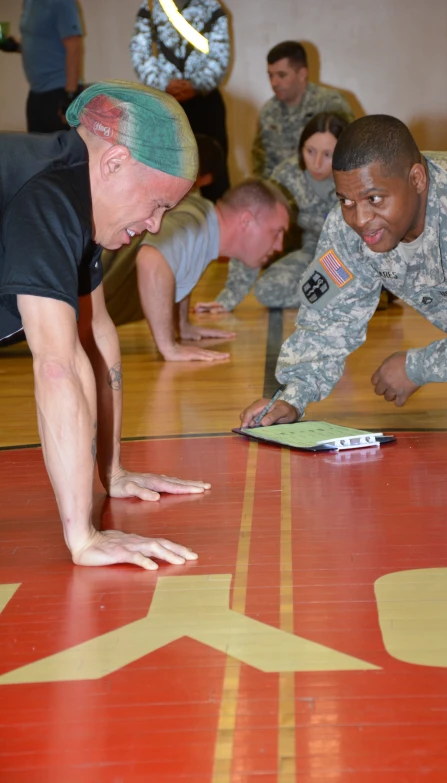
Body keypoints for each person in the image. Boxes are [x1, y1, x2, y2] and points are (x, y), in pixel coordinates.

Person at [0, 80, 211, 570]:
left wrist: (111, 471)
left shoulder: (83, 198)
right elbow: (57, 366)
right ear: (113, 163)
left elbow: (97, 335)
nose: (156, 226)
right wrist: (84, 538)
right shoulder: (49, 194)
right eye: (157, 204)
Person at [241, 114, 447, 428]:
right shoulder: (349, 221)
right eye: (345, 200)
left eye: (375, 199)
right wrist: (293, 396)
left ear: (417, 180)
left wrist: (417, 366)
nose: (360, 219)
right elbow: (328, 317)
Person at [102, 179, 290, 361]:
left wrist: (182, 325)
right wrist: (169, 347)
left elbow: (180, 264)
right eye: (277, 232)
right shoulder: (193, 221)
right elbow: (151, 259)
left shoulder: (202, 219)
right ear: (246, 221)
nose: (280, 246)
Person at [197, 111, 348, 312]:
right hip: (313, 252)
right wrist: (227, 299)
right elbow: (254, 239)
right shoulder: (287, 176)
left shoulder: (357, 177)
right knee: (269, 289)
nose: (317, 163)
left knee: (345, 272)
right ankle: (355, 294)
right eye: (310, 151)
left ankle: (363, 288)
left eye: (328, 155)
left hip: (353, 254)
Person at [130, 0, 230, 202]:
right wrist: (163, 83)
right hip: (167, 103)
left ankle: (219, 227)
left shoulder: (211, 6)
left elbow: (220, 55)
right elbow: (139, 52)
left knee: (213, 174)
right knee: (169, 173)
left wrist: (196, 85)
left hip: (205, 102)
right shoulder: (150, 6)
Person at [252, 40, 354, 179]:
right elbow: (261, 165)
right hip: (283, 193)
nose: (274, 83)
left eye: (282, 75)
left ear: (302, 74)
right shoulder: (268, 112)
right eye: (270, 75)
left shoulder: (330, 103)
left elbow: (350, 154)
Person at [0, 0, 84, 133]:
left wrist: (70, 95)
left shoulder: (62, 2)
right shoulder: (29, 3)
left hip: (59, 91)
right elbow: (41, 42)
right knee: (38, 150)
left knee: (62, 151)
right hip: (36, 93)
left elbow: (74, 46)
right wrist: (15, 46)